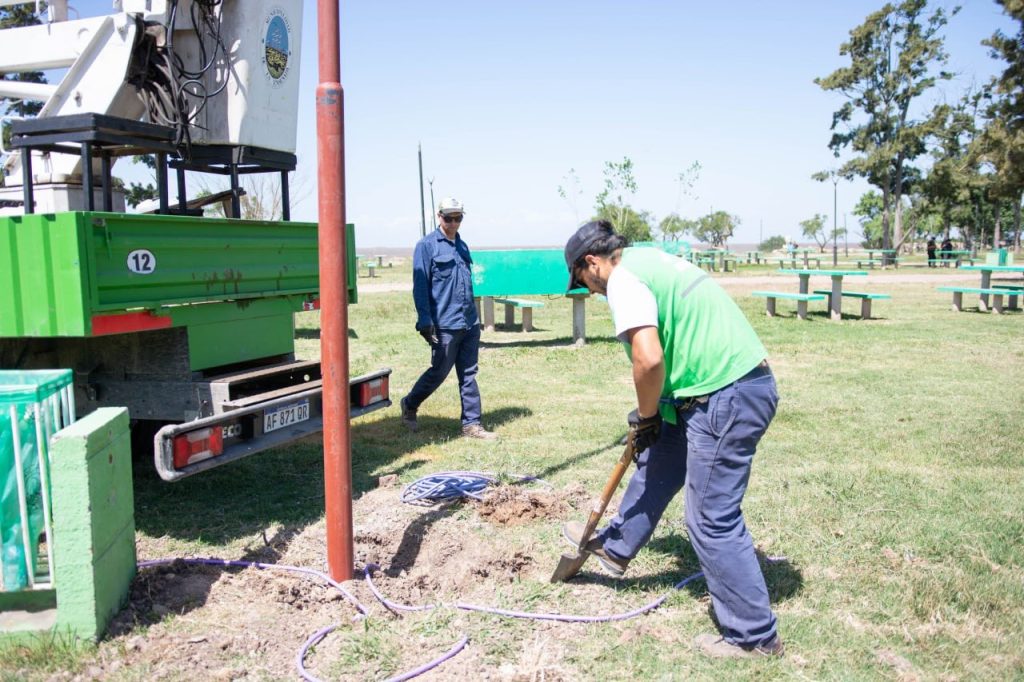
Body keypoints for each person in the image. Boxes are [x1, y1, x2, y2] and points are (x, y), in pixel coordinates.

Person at [561, 220, 782, 659]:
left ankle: (754, 636)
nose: (589, 291)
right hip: (713, 389)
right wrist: (653, 420)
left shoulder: (622, 281)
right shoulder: (646, 259)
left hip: (726, 395)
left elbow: (648, 358)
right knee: (660, 455)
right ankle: (616, 546)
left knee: (710, 517)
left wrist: (645, 415)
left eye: (583, 282)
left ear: (592, 263)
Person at [399, 198, 497, 440]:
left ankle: (471, 425)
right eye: (448, 218)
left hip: (469, 322)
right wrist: (425, 321)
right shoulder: (426, 246)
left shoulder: (462, 246)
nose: (453, 223)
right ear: (439, 216)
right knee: (439, 372)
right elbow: (420, 286)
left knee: (469, 373)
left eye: (458, 218)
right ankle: (410, 404)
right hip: (444, 324)